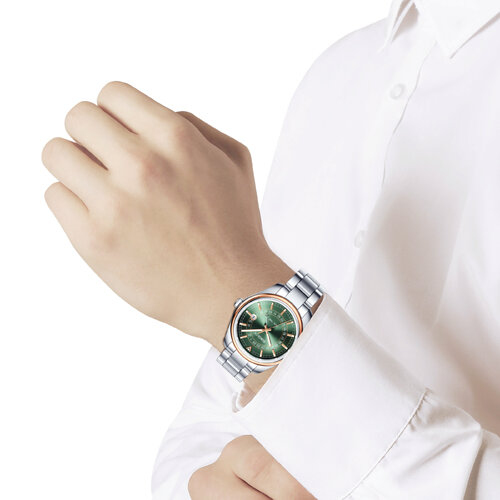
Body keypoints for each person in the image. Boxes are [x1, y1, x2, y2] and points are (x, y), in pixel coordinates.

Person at [42, 0, 500, 498]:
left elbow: (248, 326)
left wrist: (237, 293)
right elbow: (215, 415)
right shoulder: (343, 71)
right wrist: (206, 481)